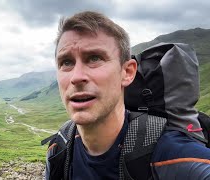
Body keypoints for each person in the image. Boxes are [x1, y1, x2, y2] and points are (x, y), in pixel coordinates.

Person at [45, 11, 210, 180]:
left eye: (94, 58)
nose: (76, 77)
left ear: (127, 72)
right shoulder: (59, 150)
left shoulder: (174, 157)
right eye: (66, 62)